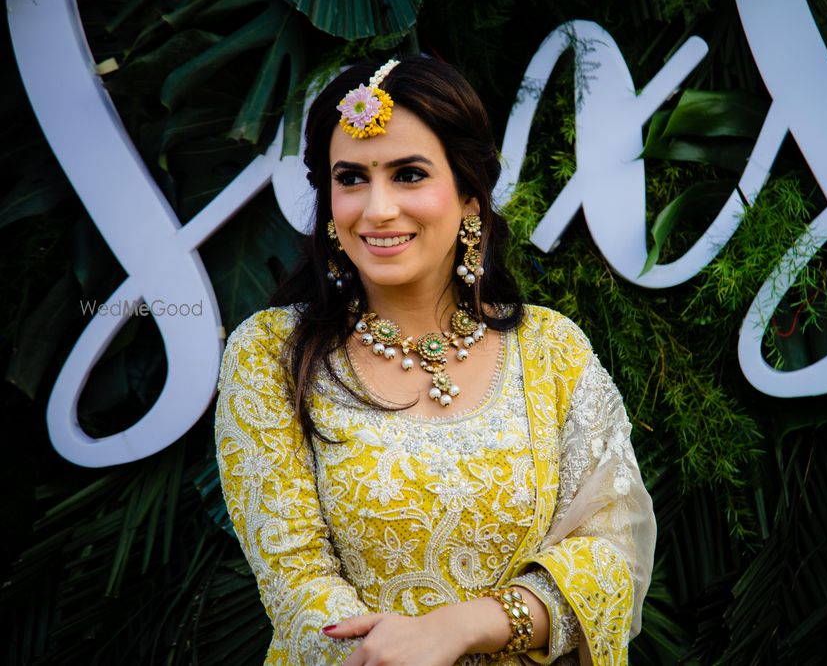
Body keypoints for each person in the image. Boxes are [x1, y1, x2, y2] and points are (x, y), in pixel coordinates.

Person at [214, 56, 655, 666]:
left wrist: (470, 626)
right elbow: (297, 586)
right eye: (351, 179)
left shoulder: (552, 350)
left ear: (470, 196)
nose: (377, 209)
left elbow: (612, 550)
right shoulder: (272, 355)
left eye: (409, 174)